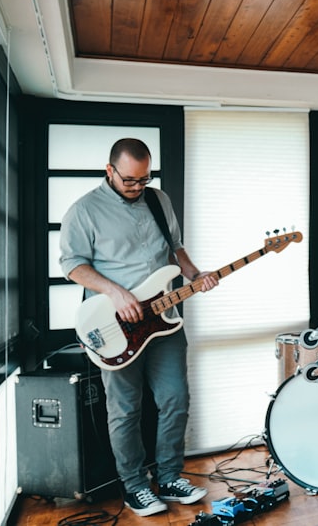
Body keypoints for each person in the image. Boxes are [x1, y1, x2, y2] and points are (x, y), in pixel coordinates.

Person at [60, 138, 217, 517]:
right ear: (110, 170)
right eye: (130, 180)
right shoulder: (83, 211)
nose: (137, 187)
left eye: (144, 179)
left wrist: (196, 274)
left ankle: (169, 477)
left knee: (175, 399)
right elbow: (72, 265)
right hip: (115, 327)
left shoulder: (158, 201)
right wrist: (114, 293)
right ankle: (134, 487)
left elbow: (175, 248)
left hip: (163, 321)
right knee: (125, 409)